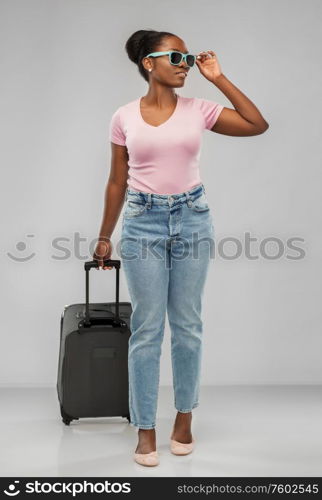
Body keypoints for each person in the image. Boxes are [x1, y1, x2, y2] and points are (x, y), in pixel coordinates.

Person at [93, 29, 269, 467]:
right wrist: (104, 235)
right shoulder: (124, 117)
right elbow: (117, 180)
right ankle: (146, 427)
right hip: (141, 222)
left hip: (192, 217)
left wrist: (218, 78)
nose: (184, 64)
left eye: (188, 58)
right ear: (148, 63)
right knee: (148, 328)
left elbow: (256, 124)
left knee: (187, 324)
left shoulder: (199, 109)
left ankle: (184, 418)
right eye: (176, 56)